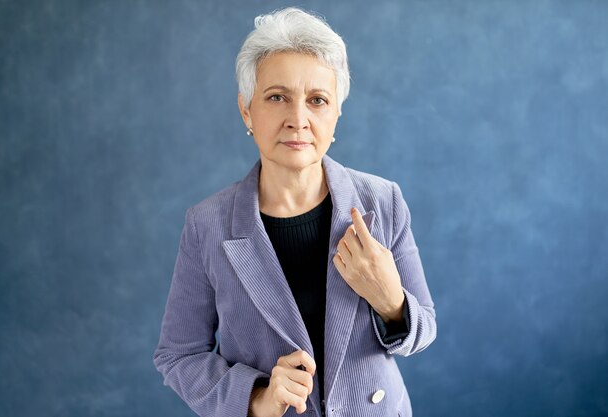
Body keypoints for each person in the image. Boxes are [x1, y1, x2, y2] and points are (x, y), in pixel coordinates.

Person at [154, 7, 436, 417]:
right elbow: (178, 356)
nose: (298, 119)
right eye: (277, 97)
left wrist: (391, 300)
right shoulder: (207, 225)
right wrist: (258, 397)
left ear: (337, 113)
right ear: (246, 110)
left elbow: (424, 330)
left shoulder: (382, 201)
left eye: (317, 100)